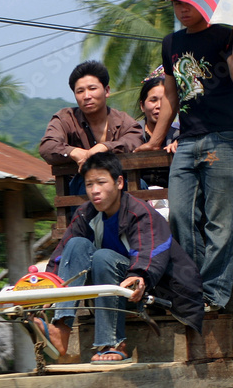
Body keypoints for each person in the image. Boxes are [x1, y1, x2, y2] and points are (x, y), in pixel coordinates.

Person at [138, 0, 233, 313]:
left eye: (188, 3)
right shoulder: (171, 42)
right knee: (180, 216)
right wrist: (157, 139)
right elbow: (172, 94)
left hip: (224, 138)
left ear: (205, 3)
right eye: (176, 4)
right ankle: (197, 286)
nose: (182, 9)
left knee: (221, 222)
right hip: (187, 141)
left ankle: (212, 295)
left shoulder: (224, 34)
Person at [39, 152, 204, 362]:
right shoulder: (85, 214)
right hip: (111, 293)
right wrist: (47, 284)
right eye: (89, 185)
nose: (95, 191)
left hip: (154, 290)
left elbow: (150, 251)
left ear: (119, 182)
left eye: (101, 182)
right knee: (75, 243)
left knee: (103, 257)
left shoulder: (140, 213)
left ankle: (114, 343)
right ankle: (60, 329)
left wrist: (138, 276)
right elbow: (62, 254)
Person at [39, 60, 146, 179]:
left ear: (106, 91)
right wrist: (73, 152)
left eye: (92, 88)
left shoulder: (124, 121)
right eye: (80, 91)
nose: (86, 96)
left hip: (120, 184)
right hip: (80, 187)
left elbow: (135, 141)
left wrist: (104, 147)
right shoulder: (65, 119)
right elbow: (47, 147)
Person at [134, 75, 178, 190]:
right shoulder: (130, 133)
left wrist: (181, 144)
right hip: (139, 198)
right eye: (153, 100)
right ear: (142, 106)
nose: (159, 106)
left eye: (165, 101)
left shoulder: (179, 136)